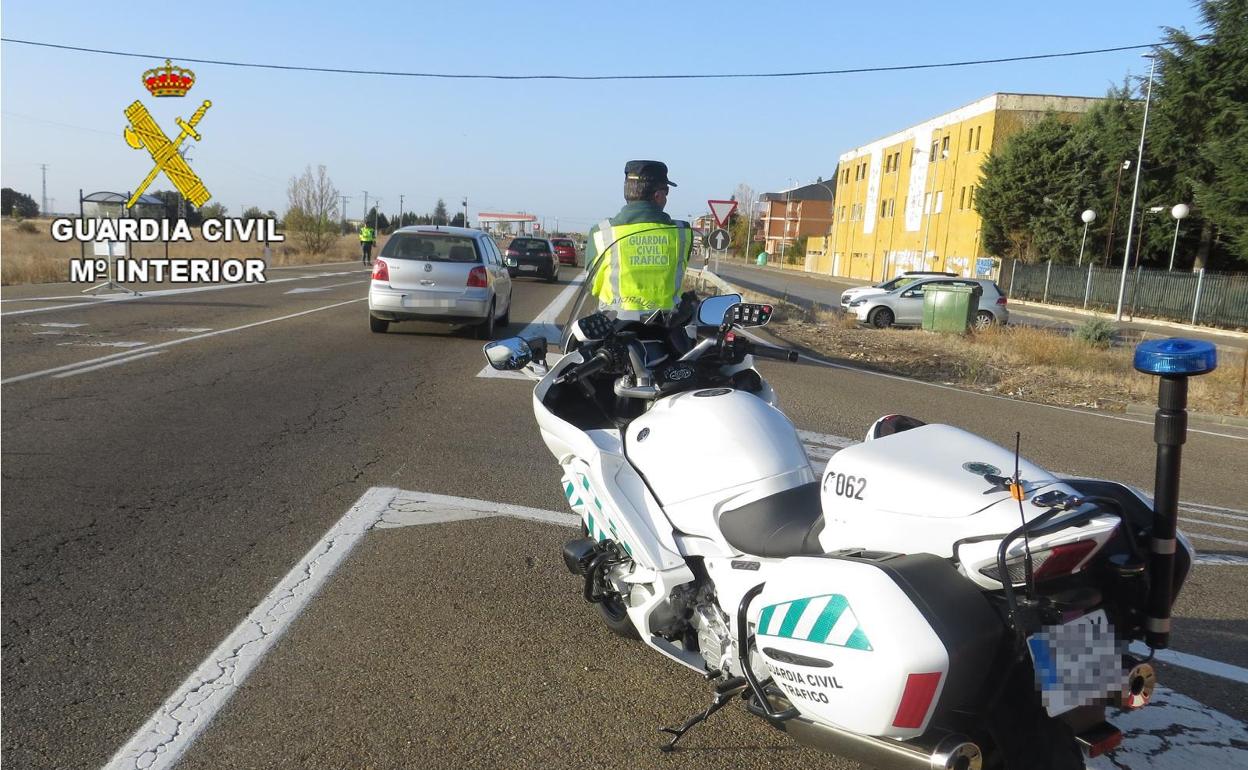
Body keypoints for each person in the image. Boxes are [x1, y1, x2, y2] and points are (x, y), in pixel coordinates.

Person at [586, 160, 693, 313]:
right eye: (667, 191)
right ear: (658, 195)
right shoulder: (683, 232)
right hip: (668, 328)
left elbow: (593, 286)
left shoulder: (601, 233)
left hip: (614, 328)